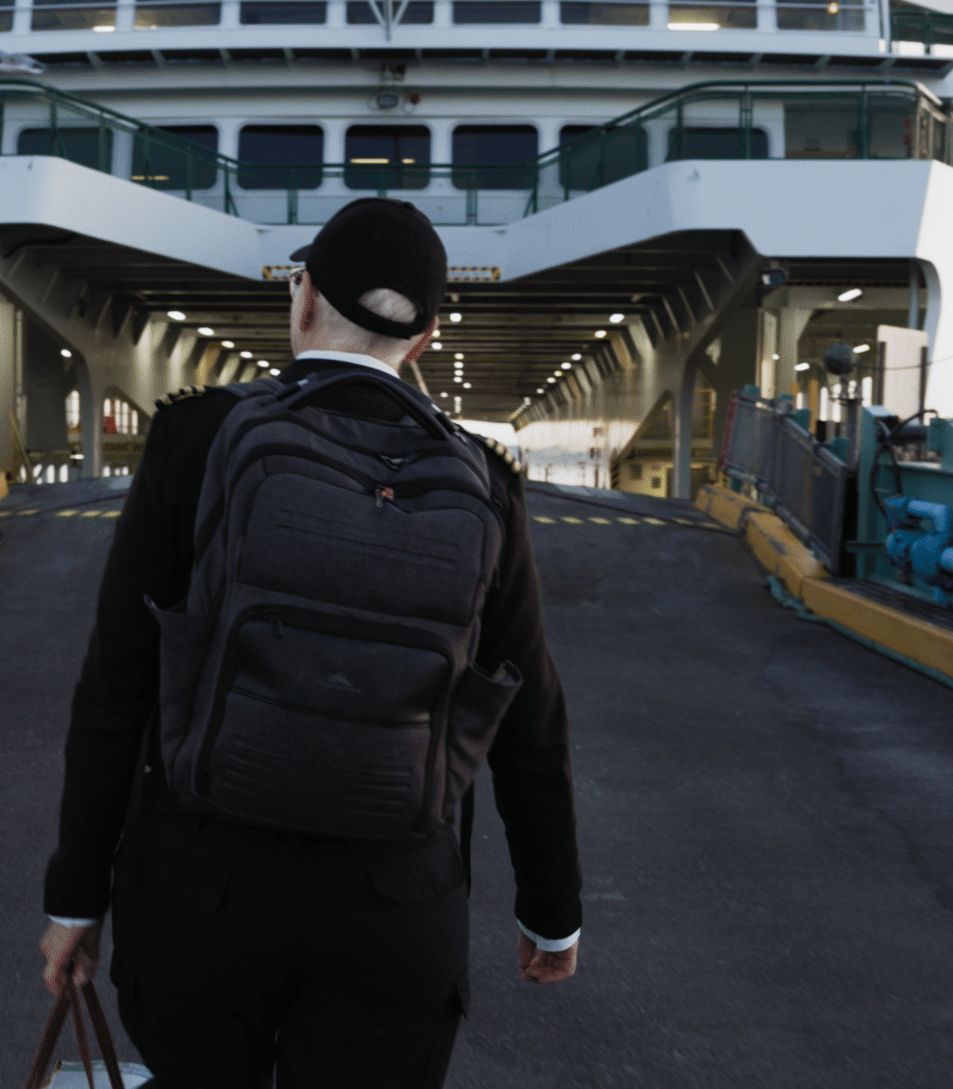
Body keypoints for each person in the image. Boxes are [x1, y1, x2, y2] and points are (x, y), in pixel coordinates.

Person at [38, 198, 583, 1087]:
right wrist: (550, 909)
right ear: (427, 336)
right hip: (396, 907)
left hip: (195, 899)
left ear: (302, 301)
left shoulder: (198, 437)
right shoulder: (485, 480)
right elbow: (529, 715)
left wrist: (76, 897)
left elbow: (116, 685)